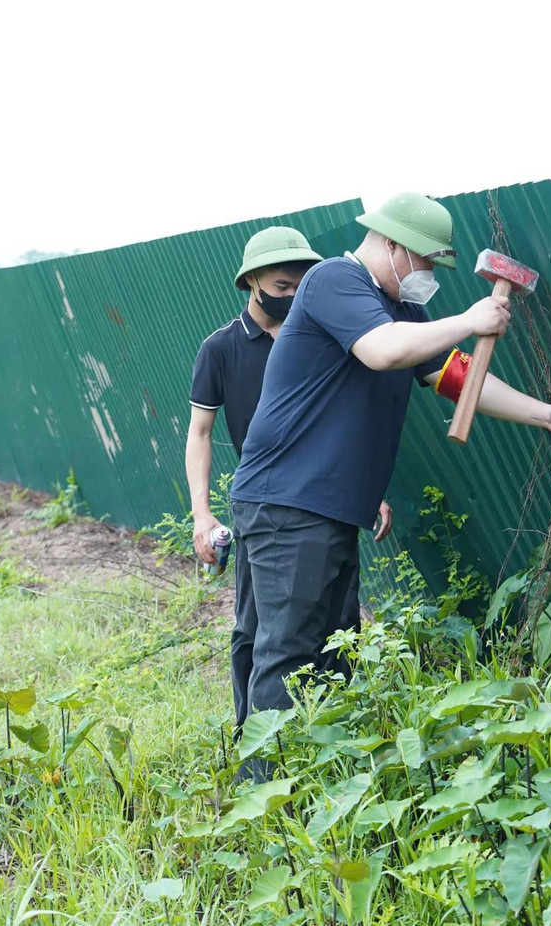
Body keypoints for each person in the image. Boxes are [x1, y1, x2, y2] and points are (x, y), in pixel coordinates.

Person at [229, 193, 551, 742]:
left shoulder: (400, 310)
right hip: (287, 500)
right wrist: (468, 319)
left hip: (325, 507)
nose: (429, 276)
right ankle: (264, 780)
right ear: (393, 245)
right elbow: (382, 351)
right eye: (426, 262)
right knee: (289, 650)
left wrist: (543, 414)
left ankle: (308, 765)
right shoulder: (333, 280)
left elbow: (456, 376)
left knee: (330, 646)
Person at [185, 226, 395, 732]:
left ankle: (327, 733)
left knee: (338, 622)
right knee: (256, 627)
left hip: (325, 494)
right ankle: (253, 736)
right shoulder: (221, 348)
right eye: (282, 286)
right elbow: (200, 432)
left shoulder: (324, 334)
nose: (294, 295)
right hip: (267, 500)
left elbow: (347, 415)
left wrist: (367, 486)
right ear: (251, 282)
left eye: (302, 286)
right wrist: (201, 514)